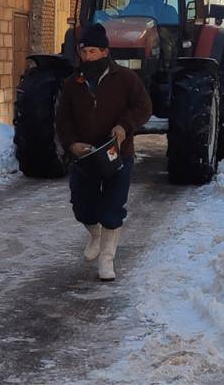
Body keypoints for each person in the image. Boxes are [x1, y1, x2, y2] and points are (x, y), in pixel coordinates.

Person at [56, 23, 152, 281]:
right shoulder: (72, 83)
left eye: (92, 52)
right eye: (83, 52)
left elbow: (144, 107)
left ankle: (107, 260)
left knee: (112, 209)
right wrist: (72, 144)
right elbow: (62, 120)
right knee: (82, 208)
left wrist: (124, 126)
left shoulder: (126, 79)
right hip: (85, 155)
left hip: (117, 153)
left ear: (105, 51)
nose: (87, 57)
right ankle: (95, 234)